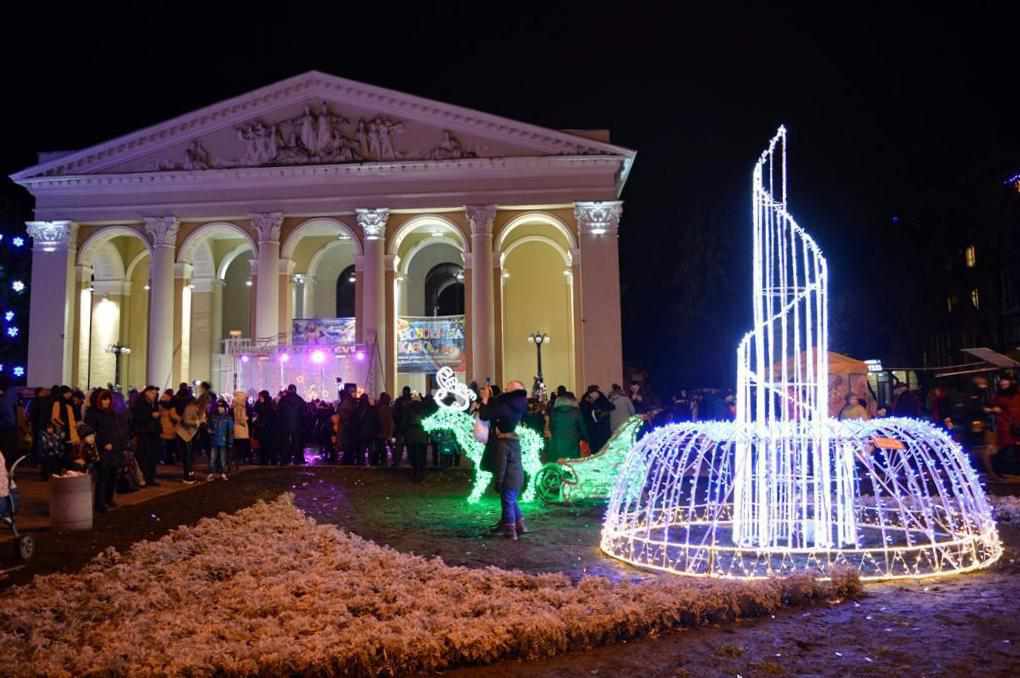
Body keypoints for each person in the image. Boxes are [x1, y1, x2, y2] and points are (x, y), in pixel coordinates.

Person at [479, 379, 529, 540]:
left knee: (507, 500)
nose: (504, 391)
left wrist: (486, 399)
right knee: (511, 498)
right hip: (516, 476)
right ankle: (520, 524)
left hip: (507, 476)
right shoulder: (517, 405)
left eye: (507, 389)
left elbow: (485, 414)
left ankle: (509, 529)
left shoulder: (502, 442)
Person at [86, 389, 127, 512]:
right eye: (104, 399)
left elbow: (117, 429)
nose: (107, 402)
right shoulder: (93, 414)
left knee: (113, 476)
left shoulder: (112, 413)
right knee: (102, 477)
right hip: (102, 450)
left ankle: (109, 499)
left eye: (108, 399)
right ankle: (100, 503)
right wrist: (103, 443)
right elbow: (91, 432)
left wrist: (120, 443)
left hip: (115, 449)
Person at [130, 385, 162, 486]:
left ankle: (151, 478)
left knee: (153, 456)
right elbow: (137, 417)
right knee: (143, 456)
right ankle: (142, 478)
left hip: (154, 433)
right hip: (144, 433)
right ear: (147, 393)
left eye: (155, 394)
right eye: (152, 393)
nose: (154, 395)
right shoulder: (140, 403)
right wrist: (150, 415)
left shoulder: (154, 403)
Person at [991, 377, 1020, 477]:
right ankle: (1003, 470)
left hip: (1012, 425)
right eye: (1002, 385)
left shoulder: (1016, 396)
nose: (1003, 386)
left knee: (1011, 447)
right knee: (1006, 447)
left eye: (1005, 385)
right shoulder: (998, 396)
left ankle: (1008, 470)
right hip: (1005, 426)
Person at [548, 390, 587, 461]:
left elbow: (551, 427)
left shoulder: (554, 412)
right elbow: (582, 428)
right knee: (572, 463)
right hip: (573, 443)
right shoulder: (576, 412)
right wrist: (585, 438)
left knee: (559, 464)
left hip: (557, 442)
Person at [174, 396, 202, 483]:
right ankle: (188, 477)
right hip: (184, 434)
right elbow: (186, 421)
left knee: (189, 456)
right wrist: (197, 422)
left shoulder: (193, 408)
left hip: (188, 434)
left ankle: (189, 475)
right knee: (187, 456)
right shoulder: (190, 408)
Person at [581, 385, 614, 454]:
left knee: (601, 449)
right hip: (594, 430)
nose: (595, 394)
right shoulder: (586, 400)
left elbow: (611, 407)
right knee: (596, 449)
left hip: (601, 429)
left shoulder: (601, 398)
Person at [277, 385, 306, 465]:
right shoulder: (300, 400)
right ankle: (297, 459)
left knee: (285, 443)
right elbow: (304, 414)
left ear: (288, 390)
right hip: (297, 425)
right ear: (295, 390)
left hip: (285, 425)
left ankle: (285, 459)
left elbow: (278, 413)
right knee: (296, 442)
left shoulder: (283, 400)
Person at [403, 394, 428, 481]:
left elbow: (405, 423)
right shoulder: (423, 411)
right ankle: (419, 473)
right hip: (421, 435)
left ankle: (416, 472)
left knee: (414, 455)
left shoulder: (409, 411)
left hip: (412, 435)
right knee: (420, 455)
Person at [207, 400, 233, 480]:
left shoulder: (228, 418)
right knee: (212, 458)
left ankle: (223, 473)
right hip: (214, 441)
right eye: (219, 407)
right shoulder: (213, 417)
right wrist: (209, 431)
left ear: (225, 408)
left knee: (223, 458)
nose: (220, 409)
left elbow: (230, 431)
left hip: (223, 441)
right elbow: (209, 427)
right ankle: (211, 473)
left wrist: (230, 442)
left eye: (222, 407)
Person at [0, 375, 19, 470]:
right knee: (9, 454)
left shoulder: (7, 395)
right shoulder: (11, 393)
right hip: (10, 428)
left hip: (6, 428)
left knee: (5, 453)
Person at [253, 391, 277, 465]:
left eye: (261, 397)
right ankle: (264, 460)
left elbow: (268, 417)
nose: (259, 398)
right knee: (263, 445)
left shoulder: (269, 406)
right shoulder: (260, 404)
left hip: (267, 430)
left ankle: (268, 460)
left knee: (268, 446)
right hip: (263, 429)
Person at [391, 386, 412, 467]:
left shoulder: (400, 401)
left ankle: (398, 462)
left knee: (401, 446)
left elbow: (395, 413)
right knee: (404, 446)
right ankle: (399, 461)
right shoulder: (409, 402)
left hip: (403, 427)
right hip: (405, 427)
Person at [232, 391, 251, 465]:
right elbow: (240, 419)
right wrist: (246, 418)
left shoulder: (236, 407)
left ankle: (238, 459)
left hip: (237, 429)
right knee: (241, 445)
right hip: (241, 429)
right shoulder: (241, 408)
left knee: (238, 445)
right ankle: (240, 460)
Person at [374, 393, 394, 466]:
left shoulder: (377, 408)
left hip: (379, 432)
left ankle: (378, 462)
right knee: (383, 448)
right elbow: (389, 422)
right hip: (383, 432)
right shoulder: (387, 409)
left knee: (379, 448)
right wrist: (390, 433)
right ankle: (384, 462)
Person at [158, 389, 177, 464]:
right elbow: (174, 416)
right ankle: (168, 459)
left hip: (163, 427)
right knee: (169, 447)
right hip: (170, 428)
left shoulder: (160, 406)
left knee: (164, 446)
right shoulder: (172, 407)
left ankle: (164, 459)